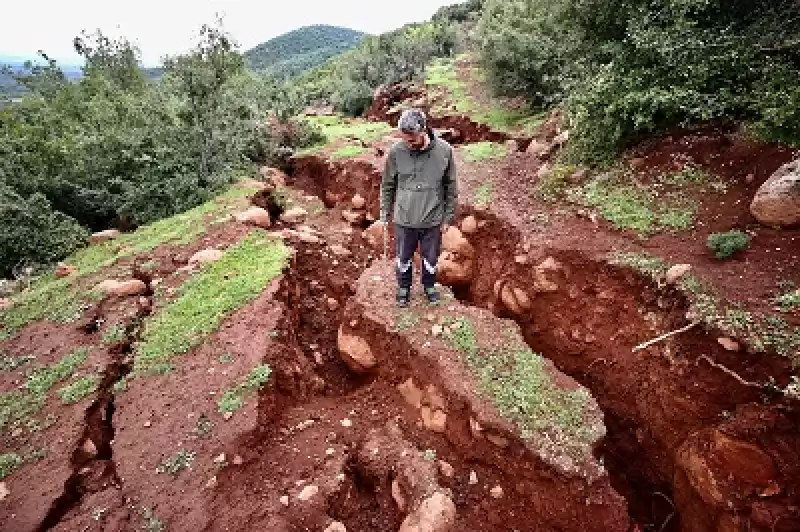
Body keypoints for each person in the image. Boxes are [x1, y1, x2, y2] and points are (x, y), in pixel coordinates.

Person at [379, 108, 457, 307]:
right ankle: (404, 287)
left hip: (433, 220)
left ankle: (429, 286)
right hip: (404, 219)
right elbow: (388, 185)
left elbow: (451, 186)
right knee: (403, 256)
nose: (409, 144)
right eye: (405, 140)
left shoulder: (445, 151)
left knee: (430, 257)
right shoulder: (396, 152)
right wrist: (384, 212)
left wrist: (448, 218)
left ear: (424, 130)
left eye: (412, 140)